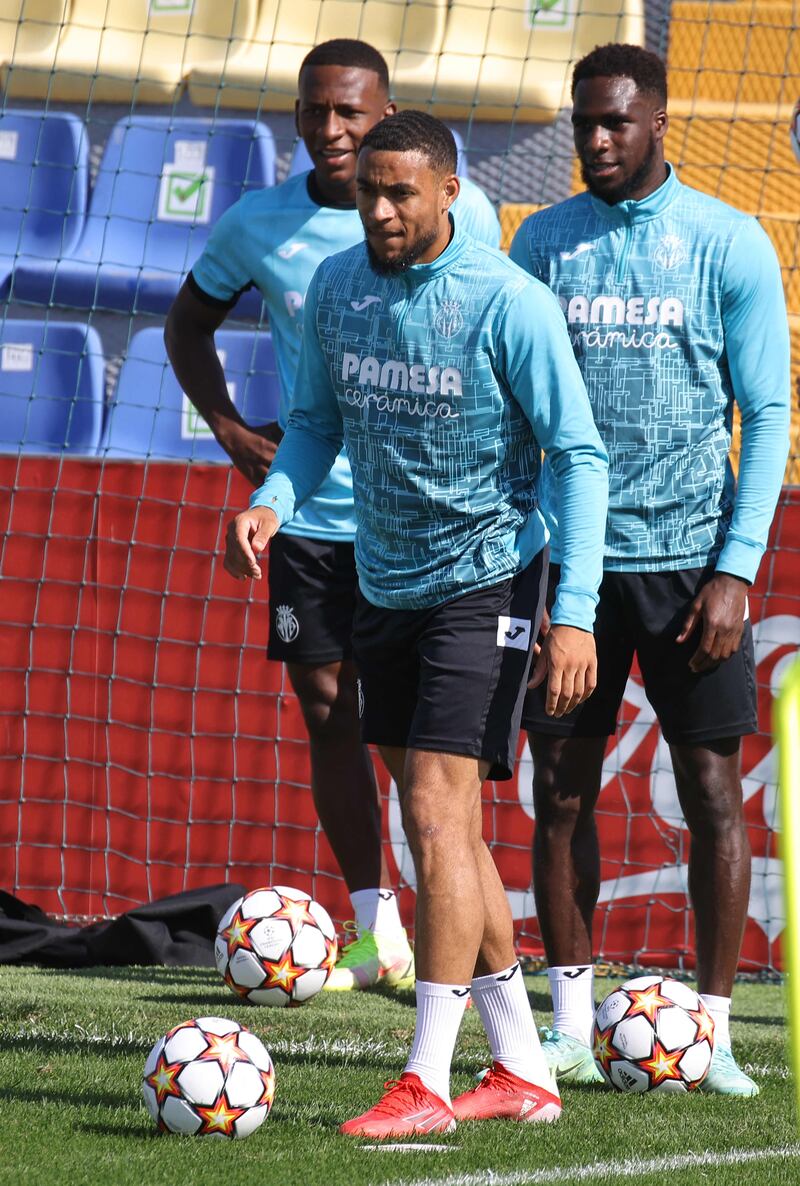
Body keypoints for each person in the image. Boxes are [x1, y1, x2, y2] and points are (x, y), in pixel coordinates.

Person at [224, 110, 609, 1136]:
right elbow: (313, 423)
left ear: (448, 192)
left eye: (400, 191)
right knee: (436, 823)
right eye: (367, 192)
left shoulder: (506, 302)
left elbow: (576, 456)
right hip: (380, 580)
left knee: (436, 819)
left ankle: (425, 1080)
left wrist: (571, 612)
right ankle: (521, 1066)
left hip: (483, 580)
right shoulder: (339, 291)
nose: (381, 209)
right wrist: (274, 501)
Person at [164, 39, 501, 994]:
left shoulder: (457, 211)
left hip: (429, 526)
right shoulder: (259, 221)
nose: (332, 129)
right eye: (316, 111)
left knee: (423, 753)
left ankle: (470, 942)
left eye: (351, 111)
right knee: (328, 712)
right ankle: (373, 927)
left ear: (387, 110)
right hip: (311, 515)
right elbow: (186, 323)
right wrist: (234, 435)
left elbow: (493, 334)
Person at [511, 43, 791, 1096]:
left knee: (714, 791)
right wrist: (526, 567)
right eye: (583, 121)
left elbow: (763, 415)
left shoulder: (726, 241)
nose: (594, 140)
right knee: (561, 796)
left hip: (689, 569)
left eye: (615, 123)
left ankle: (711, 1031)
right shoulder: (540, 243)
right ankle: (573, 1026)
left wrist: (735, 566)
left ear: (658, 120)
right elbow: (514, 413)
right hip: (567, 570)